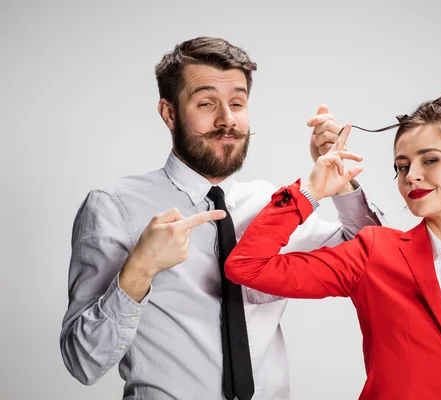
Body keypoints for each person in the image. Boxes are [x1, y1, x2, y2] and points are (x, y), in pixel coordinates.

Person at [59, 36, 383, 400]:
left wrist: (340, 180)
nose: (227, 120)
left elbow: (371, 261)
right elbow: (82, 361)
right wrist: (139, 270)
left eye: (237, 103)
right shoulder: (114, 207)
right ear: (169, 113)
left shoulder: (275, 206)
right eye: (206, 103)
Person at [225, 95, 441, 400]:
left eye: (429, 160)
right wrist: (311, 191)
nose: (411, 175)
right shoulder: (374, 253)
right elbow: (248, 267)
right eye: (402, 166)